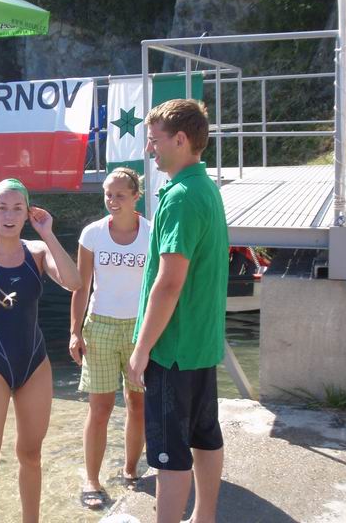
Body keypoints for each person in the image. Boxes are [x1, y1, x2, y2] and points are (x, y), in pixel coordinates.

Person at [0, 179, 81, 523]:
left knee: (31, 455)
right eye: (2, 207)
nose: (9, 215)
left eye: (17, 208)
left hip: (34, 365)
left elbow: (74, 282)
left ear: (27, 213)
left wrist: (48, 233)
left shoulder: (38, 252)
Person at [127, 99, 229, 523]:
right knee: (205, 436)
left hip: (172, 349)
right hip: (201, 344)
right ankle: (203, 518)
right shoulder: (206, 189)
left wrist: (141, 349)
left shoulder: (181, 198)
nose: (149, 149)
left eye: (155, 140)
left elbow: (169, 284)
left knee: (169, 454)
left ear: (181, 140)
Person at [69, 167, 150, 509]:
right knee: (99, 408)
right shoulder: (92, 234)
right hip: (99, 326)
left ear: (136, 196)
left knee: (137, 404)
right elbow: (81, 286)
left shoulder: (152, 233)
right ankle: (91, 480)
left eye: (120, 195)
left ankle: (131, 470)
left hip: (139, 329)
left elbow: (159, 287)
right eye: (107, 194)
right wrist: (74, 332)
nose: (112, 201)